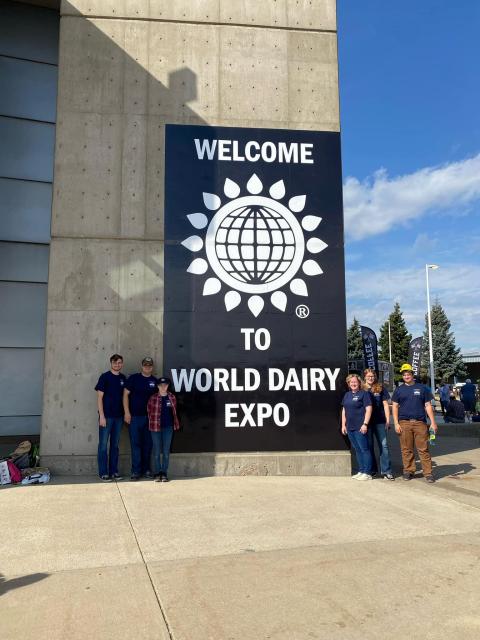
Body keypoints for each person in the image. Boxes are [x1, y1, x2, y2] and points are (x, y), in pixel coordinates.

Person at [392, 363, 438, 483]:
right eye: (404, 374)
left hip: (420, 423)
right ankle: (409, 471)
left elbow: (428, 406)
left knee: (423, 449)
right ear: (402, 376)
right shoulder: (399, 390)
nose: (406, 376)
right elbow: (395, 407)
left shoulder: (422, 388)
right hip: (404, 423)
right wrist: (396, 423)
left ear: (412, 374)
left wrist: (433, 422)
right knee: (406, 449)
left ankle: (428, 473)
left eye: (408, 374)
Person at [123, 357, 158, 481]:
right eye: (145, 365)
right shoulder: (133, 378)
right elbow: (125, 395)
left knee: (148, 445)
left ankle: (147, 470)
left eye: (149, 365)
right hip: (134, 418)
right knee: (135, 444)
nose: (147, 367)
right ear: (141, 366)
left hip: (149, 419)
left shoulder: (155, 381)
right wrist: (127, 412)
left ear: (152, 367)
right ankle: (136, 471)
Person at [95, 354, 126, 482]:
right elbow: (99, 398)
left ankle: (114, 471)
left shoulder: (123, 378)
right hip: (106, 417)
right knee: (103, 445)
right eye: (115, 362)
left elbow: (125, 397)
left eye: (119, 362)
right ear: (111, 363)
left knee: (115, 445)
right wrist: (101, 416)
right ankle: (103, 472)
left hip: (119, 417)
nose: (117, 365)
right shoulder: (105, 377)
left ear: (122, 364)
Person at [363, 369, 394, 480]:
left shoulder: (380, 388)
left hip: (380, 421)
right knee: (369, 447)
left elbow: (386, 405)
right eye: (368, 376)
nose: (370, 378)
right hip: (367, 423)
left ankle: (386, 471)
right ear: (365, 377)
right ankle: (372, 470)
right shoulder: (361, 388)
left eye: (372, 376)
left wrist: (387, 420)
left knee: (384, 446)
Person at [147, 376, 180, 482]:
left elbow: (174, 412)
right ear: (157, 386)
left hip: (168, 428)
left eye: (165, 385)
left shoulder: (172, 397)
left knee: (166, 451)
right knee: (156, 451)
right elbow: (149, 411)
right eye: (161, 385)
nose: (163, 387)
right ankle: (157, 473)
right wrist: (153, 422)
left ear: (168, 386)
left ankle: (164, 472)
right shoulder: (153, 398)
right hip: (155, 427)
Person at [341, 374, 373, 480]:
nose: (353, 384)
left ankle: (368, 473)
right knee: (357, 450)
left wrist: (365, 424)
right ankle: (361, 470)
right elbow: (344, 410)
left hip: (360, 427)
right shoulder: (347, 395)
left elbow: (369, 409)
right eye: (351, 382)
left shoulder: (364, 394)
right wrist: (343, 425)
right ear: (348, 384)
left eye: (355, 382)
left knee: (364, 449)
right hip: (350, 427)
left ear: (359, 383)